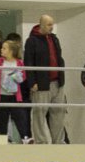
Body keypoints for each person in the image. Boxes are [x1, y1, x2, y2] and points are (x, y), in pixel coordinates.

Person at [24, 14, 66, 145]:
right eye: (49, 25)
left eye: (52, 24)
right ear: (41, 24)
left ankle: (58, 141)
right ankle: (42, 141)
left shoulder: (54, 39)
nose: (51, 27)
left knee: (59, 113)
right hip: (41, 83)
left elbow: (59, 57)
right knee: (39, 113)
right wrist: (32, 82)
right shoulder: (32, 41)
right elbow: (28, 62)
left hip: (57, 82)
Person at [0, 39, 32, 143]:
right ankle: (4, 139)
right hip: (1, 95)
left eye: (4, 48)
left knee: (20, 118)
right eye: (2, 48)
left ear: (11, 51)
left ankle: (25, 138)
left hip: (14, 95)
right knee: (2, 119)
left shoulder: (19, 63)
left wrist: (14, 77)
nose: (1, 50)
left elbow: (23, 76)